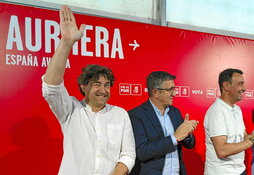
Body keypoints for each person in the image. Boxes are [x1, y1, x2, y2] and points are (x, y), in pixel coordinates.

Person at [42, 5, 135, 175]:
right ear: (83, 86)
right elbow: (51, 88)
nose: (103, 90)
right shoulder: (70, 110)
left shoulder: (120, 114)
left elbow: (128, 154)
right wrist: (66, 43)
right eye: (97, 84)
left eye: (107, 85)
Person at [128, 71, 199, 175]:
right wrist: (174, 138)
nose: (174, 93)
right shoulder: (136, 115)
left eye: (174, 89)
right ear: (156, 92)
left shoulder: (175, 112)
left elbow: (189, 144)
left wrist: (187, 134)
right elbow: (142, 152)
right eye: (170, 90)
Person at [204, 68, 254, 175]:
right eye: (240, 84)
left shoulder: (237, 109)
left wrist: (252, 136)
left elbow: (243, 137)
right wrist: (253, 140)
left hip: (240, 170)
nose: (244, 88)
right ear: (226, 86)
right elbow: (222, 151)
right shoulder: (217, 111)